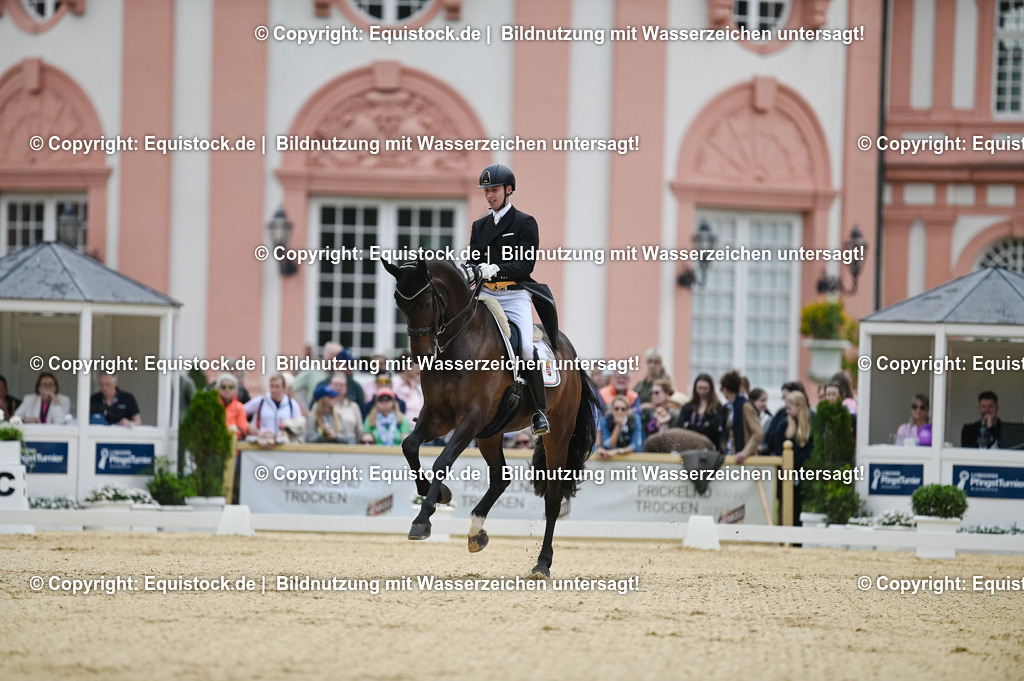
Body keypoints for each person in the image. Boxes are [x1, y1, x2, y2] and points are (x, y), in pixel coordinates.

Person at [462, 163, 559, 436]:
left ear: (508, 190)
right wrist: (470, 269)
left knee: (527, 349)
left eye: (494, 190)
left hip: (513, 296)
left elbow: (525, 265)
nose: (489, 196)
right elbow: (474, 260)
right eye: (486, 191)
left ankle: (539, 411)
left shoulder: (524, 223)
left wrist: (497, 268)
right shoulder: (479, 226)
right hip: (485, 294)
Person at [764, 391, 814, 526]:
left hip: (803, 473)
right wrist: (789, 466)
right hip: (786, 472)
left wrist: (796, 464)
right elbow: (778, 448)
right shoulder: (783, 425)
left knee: (799, 507)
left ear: (799, 407)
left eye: (789, 408)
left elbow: (810, 450)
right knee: (784, 505)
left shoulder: (811, 425)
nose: (787, 411)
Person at [245, 373, 305, 442]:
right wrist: (248, 426)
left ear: (284, 388)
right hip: (264, 445)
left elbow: (299, 424)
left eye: (277, 387)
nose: (273, 390)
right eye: (272, 386)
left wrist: (288, 424)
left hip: (285, 445)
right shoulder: (261, 401)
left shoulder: (292, 404)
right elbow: (241, 411)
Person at [719, 370, 762, 463]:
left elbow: (758, 432)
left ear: (725, 389)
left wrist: (744, 453)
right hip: (731, 457)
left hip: (745, 461)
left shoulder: (745, 406)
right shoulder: (730, 407)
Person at [675, 373, 722, 451]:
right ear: (695, 388)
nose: (702, 392)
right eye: (699, 388)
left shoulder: (717, 407)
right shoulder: (688, 407)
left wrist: (689, 426)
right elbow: (680, 427)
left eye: (705, 388)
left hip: (709, 448)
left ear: (711, 389)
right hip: (688, 447)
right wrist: (703, 427)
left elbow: (713, 430)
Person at [596, 395, 643, 460]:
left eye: (623, 409)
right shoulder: (605, 420)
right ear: (612, 410)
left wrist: (618, 451)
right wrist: (618, 425)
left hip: (631, 458)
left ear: (627, 411)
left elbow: (636, 446)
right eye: (616, 409)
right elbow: (608, 445)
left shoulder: (635, 419)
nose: (619, 412)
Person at [391, 351, 424, 421]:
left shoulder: (416, 385)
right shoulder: (393, 384)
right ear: (407, 367)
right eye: (417, 366)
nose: (420, 369)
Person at [215, 373, 248, 439]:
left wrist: (227, 432)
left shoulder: (239, 407)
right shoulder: (212, 405)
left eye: (231, 387)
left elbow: (243, 430)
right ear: (218, 389)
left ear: (235, 390)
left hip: (233, 445)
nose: (227, 390)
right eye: (223, 387)